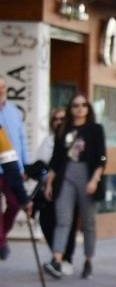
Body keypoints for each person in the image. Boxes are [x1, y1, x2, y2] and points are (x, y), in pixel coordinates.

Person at [42, 92, 106, 279]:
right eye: (76, 106)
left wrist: (95, 179)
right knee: (63, 219)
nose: (80, 109)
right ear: (71, 109)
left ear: (88, 108)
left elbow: (102, 157)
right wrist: (49, 183)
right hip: (66, 175)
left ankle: (88, 260)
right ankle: (57, 259)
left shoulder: (95, 129)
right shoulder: (64, 128)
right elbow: (56, 159)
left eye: (83, 105)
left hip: (87, 175)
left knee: (88, 223)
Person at [27, 108, 75, 267]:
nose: (59, 122)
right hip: (49, 188)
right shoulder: (48, 141)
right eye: (56, 119)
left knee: (66, 222)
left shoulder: (73, 139)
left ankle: (64, 258)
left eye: (62, 118)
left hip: (67, 186)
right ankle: (57, 255)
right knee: (46, 221)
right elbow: (40, 163)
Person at [0, 73, 29, 260]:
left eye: (3, 86)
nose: (1, 90)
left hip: (10, 167)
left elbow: (21, 139)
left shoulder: (13, 111)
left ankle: (1, 237)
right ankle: (1, 242)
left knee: (15, 203)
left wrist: (24, 165)